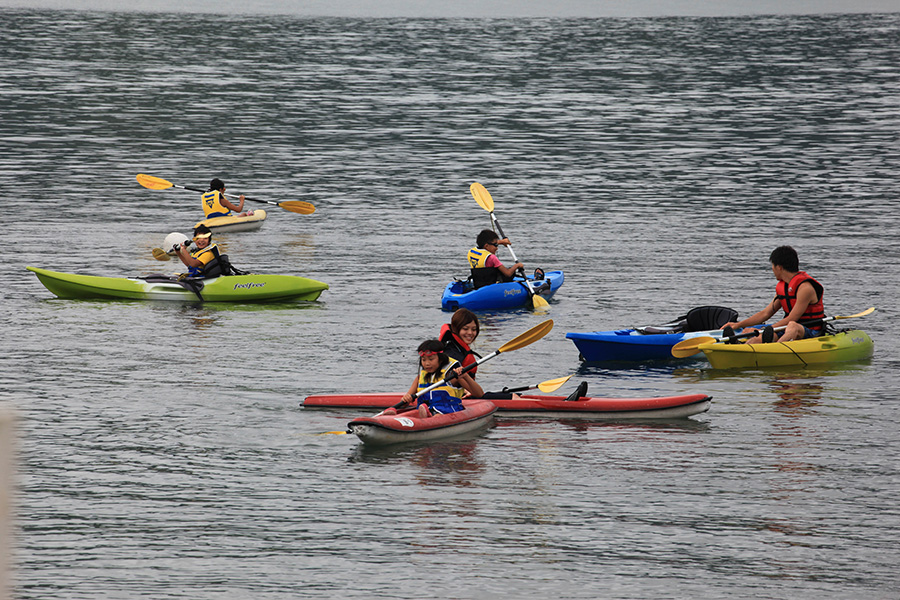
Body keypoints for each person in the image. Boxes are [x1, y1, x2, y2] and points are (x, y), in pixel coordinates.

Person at [721, 245, 826, 344]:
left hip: (811, 330)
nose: (772, 269)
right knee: (752, 333)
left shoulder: (805, 288)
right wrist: (738, 324)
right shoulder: (784, 287)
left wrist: (765, 329)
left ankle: (776, 348)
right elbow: (765, 314)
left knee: (792, 326)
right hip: (787, 327)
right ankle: (740, 347)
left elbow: (792, 318)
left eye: (772, 265)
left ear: (779, 267)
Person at [390, 340, 484, 418]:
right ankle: (393, 415)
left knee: (437, 416)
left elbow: (479, 394)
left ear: (441, 359)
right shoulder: (420, 378)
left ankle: (428, 416)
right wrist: (407, 399)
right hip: (424, 410)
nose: (427, 363)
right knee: (411, 413)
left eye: (431, 359)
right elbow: (406, 402)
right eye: (424, 360)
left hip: (448, 413)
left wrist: (465, 376)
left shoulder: (451, 376)